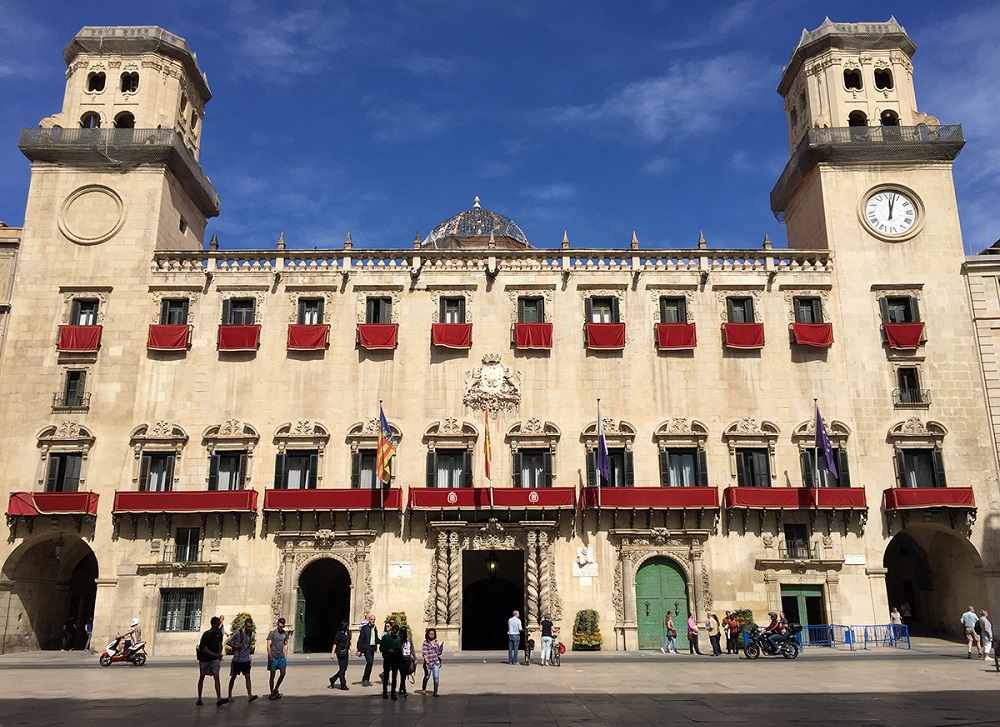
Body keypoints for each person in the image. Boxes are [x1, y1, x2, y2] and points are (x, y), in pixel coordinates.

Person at [197, 616, 227, 707]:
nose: (218, 626)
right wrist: (216, 655)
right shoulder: (206, 635)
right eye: (217, 624)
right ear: (213, 624)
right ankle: (199, 698)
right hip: (205, 659)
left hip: (214, 660)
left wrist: (219, 653)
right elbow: (204, 649)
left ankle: (219, 698)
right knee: (202, 677)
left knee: (216, 677)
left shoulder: (219, 633)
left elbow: (220, 644)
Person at [227, 617, 258, 703]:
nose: (249, 628)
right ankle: (229, 695)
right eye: (248, 626)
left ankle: (250, 695)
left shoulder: (252, 635)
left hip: (246, 659)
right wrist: (236, 646)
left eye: (251, 626)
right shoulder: (238, 634)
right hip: (237, 659)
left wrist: (249, 648)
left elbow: (249, 643)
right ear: (245, 626)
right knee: (233, 677)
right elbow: (228, 642)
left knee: (248, 676)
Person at [266, 617, 289, 700]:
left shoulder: (285, 634)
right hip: (273, 657)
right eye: (280, 626)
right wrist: (270, 656)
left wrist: (285, 655)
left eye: (282, 626)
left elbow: (285, 643)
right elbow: (268, 645)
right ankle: (271, 692)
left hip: (281, 657)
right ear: (277, 625)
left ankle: (276, 689)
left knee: (283, 673)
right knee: (272, 675)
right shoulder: (272, 633)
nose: (281, 628)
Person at [355, 613, 379, 687]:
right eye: (372, 619)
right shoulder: (364, 628)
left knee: (370, 664)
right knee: (369, 662)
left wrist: (384, 642)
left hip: (372, 648)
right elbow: (361, 639)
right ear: (369, 620)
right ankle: (365, 679)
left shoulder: (375, 628)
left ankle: (366, 678)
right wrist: (359, 649)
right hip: (366, 648)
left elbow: (376, 639)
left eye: (374, 619)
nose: (373, 621)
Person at [379, 623, 402, 700]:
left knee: (394, 677)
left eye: (395, 633)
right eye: (393, 632)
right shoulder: (385, 637)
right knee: (386, 676)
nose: (394, 634)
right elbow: (381, 648)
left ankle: (393, 693)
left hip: (395, 659)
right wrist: (388, 650)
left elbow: (399, 648)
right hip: (387, 658)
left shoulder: (398, 638)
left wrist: (396, 651)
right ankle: (385, 693)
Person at [421, 628, 443, 696]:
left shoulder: (436, 642)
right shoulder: (425, 642)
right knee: (427, 676)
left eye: (433, 634)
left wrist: (440, 651)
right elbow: (424, 653)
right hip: (428, 662)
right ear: (428, 634)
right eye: (430, 634)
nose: (431, 635)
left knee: (436, 677)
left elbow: (438, 652)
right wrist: (426, 660)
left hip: (436, 662)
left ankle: (435, 692)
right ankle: (424, 689)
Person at [330, 619, 351, 690]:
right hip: (340, 652)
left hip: (345, 652)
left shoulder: (347, 633)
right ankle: (343, 684)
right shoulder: (339, 634)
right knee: (342, 669)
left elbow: (349, 642)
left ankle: (333, 679)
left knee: (344, 668)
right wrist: (332, 654)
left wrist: (350, 649)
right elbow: (335, 644)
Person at [398, 626, 415, 698]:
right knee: (403, 675)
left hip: (408, 658)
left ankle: (401, 689)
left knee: (404, 675)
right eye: (406, 632)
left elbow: (412, 648)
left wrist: (415, 658)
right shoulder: (399, 640)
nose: (408, 633)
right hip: (402, 659)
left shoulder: (409, 639)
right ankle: (404, 690)